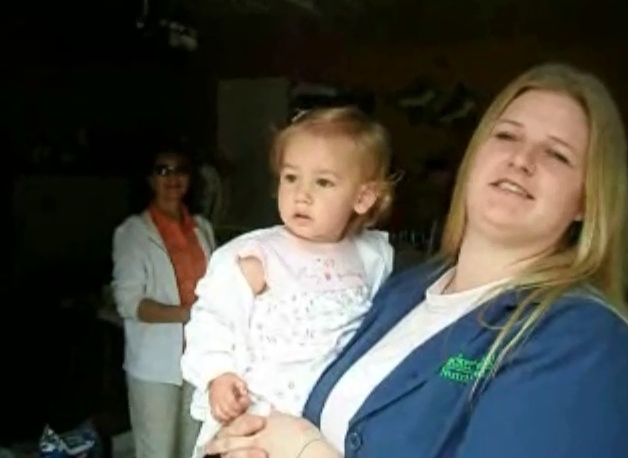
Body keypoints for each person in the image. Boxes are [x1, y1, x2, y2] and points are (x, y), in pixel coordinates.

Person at [205, 62, 628, 458]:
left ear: (587, 199)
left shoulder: (584, 340)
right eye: (506, 136)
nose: (521, 159)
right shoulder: (401, 288)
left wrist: (303, 449)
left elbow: (298, 441)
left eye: (557, 154)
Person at [180, 107, 395, 458]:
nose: (301, 194)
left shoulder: (371, 257)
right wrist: (218, 374)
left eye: (323, 182)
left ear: (362, 198)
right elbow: (211, 319)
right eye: (291, 177)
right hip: (258, 417)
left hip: (330, 422)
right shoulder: (255, 256)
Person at [111, 147, 216, 458]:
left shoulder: (201, 228)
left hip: (199, 360)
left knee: (194, 450)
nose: (172, 178)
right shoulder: (133, 233)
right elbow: (129, 304)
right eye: (163, 170)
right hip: (155, 365)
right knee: (157, 451)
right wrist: (188, 314)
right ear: (150, 179)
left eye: (180, 169)